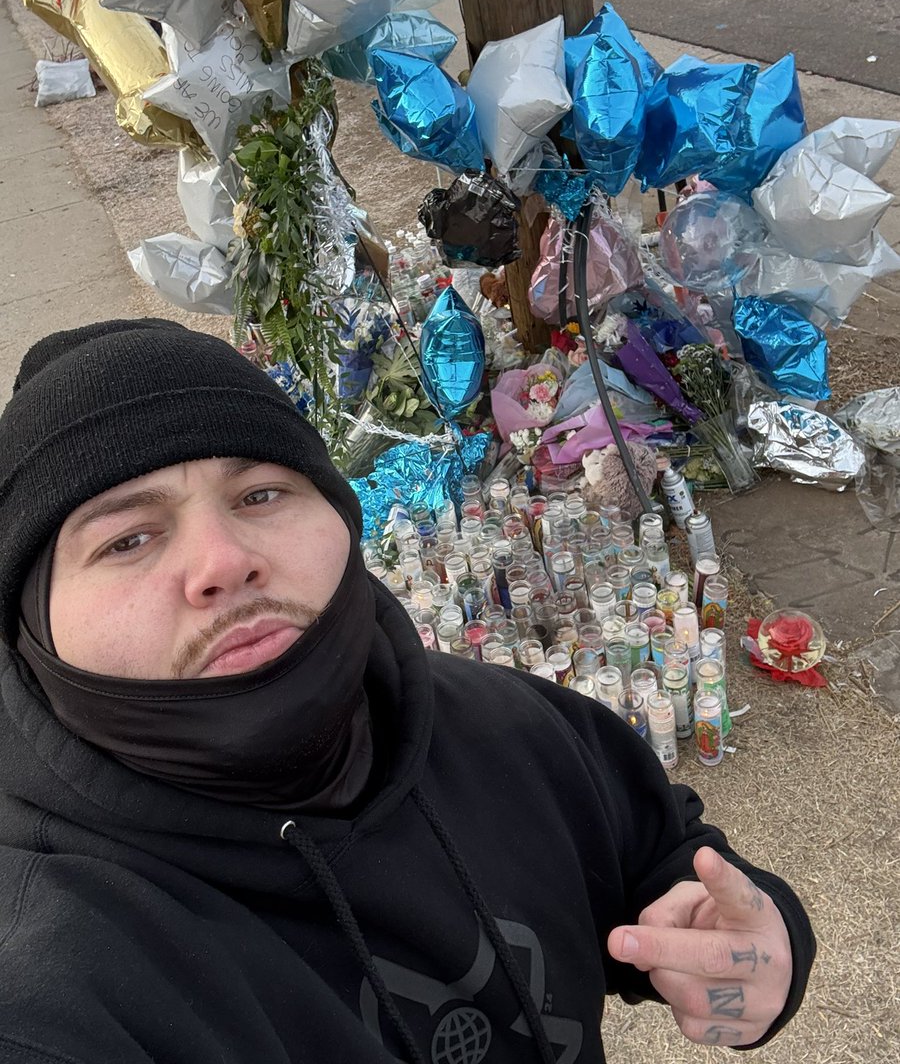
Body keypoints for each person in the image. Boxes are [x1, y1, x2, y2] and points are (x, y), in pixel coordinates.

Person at [0, 319, 814, 1064]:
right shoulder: (52, 982)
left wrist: (757, 947)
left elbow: (662, 853)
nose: (222, 562)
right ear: (29, 622)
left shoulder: (503, 725)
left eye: (260, 495)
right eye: (128, 538)